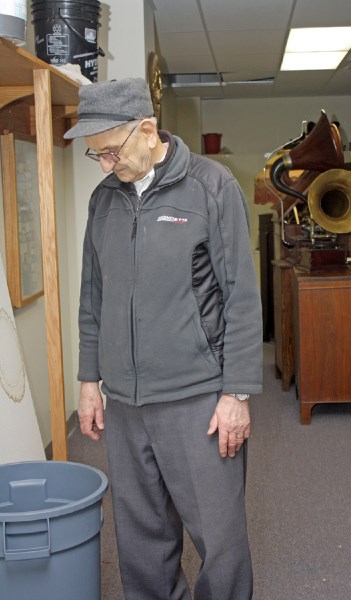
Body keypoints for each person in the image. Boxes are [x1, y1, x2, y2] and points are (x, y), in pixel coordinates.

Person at [64, 77, 263, 600]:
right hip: (127, 405)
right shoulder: (104, 201)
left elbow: (242, 296)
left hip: (197, 399)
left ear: (147, 130)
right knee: (141, 540)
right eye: (96, 156)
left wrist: (235, 395)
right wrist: (89, 381)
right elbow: (93, 297)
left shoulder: (211, 186)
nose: (105, 166)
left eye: (110, 152)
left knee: (218, 540)